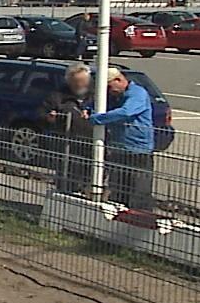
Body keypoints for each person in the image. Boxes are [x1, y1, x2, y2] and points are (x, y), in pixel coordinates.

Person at [88, 66, 155, 209]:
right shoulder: (114, 96)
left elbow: (126, 112)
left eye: (109, 86)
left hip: (138, 150)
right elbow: (96, 104)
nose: (108, 91)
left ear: (118, 80)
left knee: (138, 190)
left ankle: (140, 217)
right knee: (118, 189)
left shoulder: (137, 93)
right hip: (118, 149)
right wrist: (88, 109)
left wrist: (97, 118)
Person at [44, 64, 92, 194]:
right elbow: (43, 112)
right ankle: (65, 194)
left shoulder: (97, 94)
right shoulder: (58, 95)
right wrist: (49, 117)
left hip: (90, 142)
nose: (79, 84)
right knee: (67, 175)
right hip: (67, 143)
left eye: (82, 81)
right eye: (75, 82)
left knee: (89, 174)